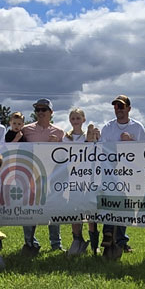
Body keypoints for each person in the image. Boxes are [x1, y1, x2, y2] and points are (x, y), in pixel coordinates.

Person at [99, 94, 145, 257]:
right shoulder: (108, 127)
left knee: (125, 207)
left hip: (129, 174)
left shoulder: (137, 127)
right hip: (110, 172)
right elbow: (101, 150)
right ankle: (107, 236)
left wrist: (130, 143)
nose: (118, 109)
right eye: (116, 106)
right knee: (109, 204)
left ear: (128, 108)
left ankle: (120, 241)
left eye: (121, 106)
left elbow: (143, 151)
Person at [20, 98, 65, 254]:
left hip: (52, 176)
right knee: (30, 209)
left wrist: (58, 144)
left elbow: (64, 157)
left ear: (51, 113)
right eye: (37, 110)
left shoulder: (59, 132)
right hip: (30, 176)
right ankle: (30, 243)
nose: (40, 113)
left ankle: (56, 244)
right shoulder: (25, 130)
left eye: (43, 110)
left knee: (53, 209)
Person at [63, 107, 99, 253]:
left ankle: (94, 243)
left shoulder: (91, 135)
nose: (75, 121)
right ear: (70, 121)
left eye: (78, 118)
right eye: (73, 119)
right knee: (75, 210)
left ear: (83, 120)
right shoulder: (66, 137)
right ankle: (77, 240)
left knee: (91, 211)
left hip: (89, 178)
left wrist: (93, 138)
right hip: (72, 178)